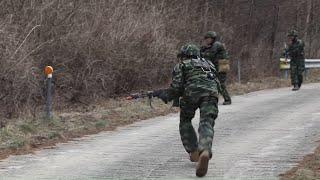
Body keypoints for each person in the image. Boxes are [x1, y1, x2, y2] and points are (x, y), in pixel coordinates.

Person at [154, 43, 219, 177]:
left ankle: (194, 151)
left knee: (185, 121)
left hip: (191, 94)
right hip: (211, 93)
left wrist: (165, 95)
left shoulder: (182, 65)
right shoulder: (209, 64)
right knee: (206, 122)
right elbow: (217, 82)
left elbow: (176, 88)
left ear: (183, 56)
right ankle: (205, 150)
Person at [200, 31, 232, 105]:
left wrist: (202, 53)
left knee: (220, 84)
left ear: (212, 39)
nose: (206, 40)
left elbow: (209, 55)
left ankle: (227, 99)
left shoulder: (216, 45)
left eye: (208, 39)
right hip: (218, 66)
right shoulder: (214, 45)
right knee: (212, 82)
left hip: (222, 66)